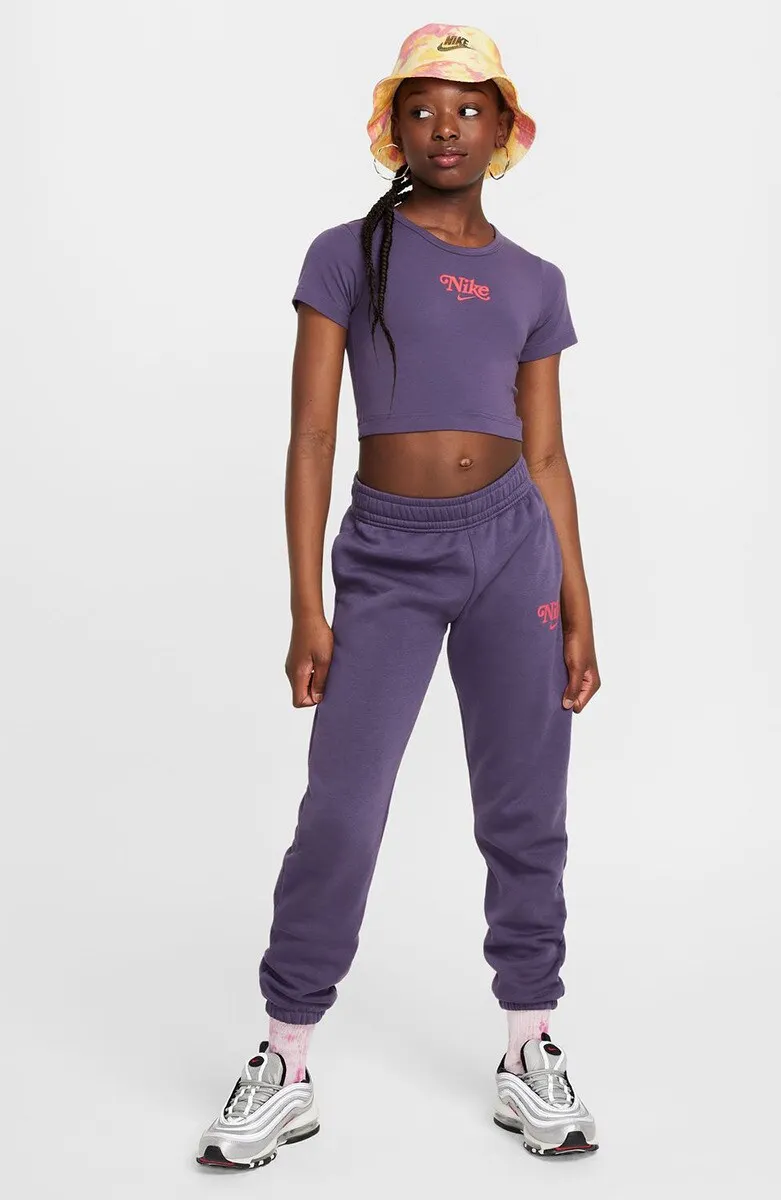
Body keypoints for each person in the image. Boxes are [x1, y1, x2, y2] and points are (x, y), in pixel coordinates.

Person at [196, 23, 602, 1169]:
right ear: (393, 129)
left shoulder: (534, 282)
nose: (445, 128)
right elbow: (312, 436)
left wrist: (579, 599)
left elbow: (549, 454)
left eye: (469, 108)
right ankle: (286, 1057)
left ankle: (530, 1045)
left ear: (505, 128)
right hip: (387, 552)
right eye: (422, 109)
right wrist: (306, 604)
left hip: (515, 547)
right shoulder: (346, 256)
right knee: (343, 807)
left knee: (525, 806)